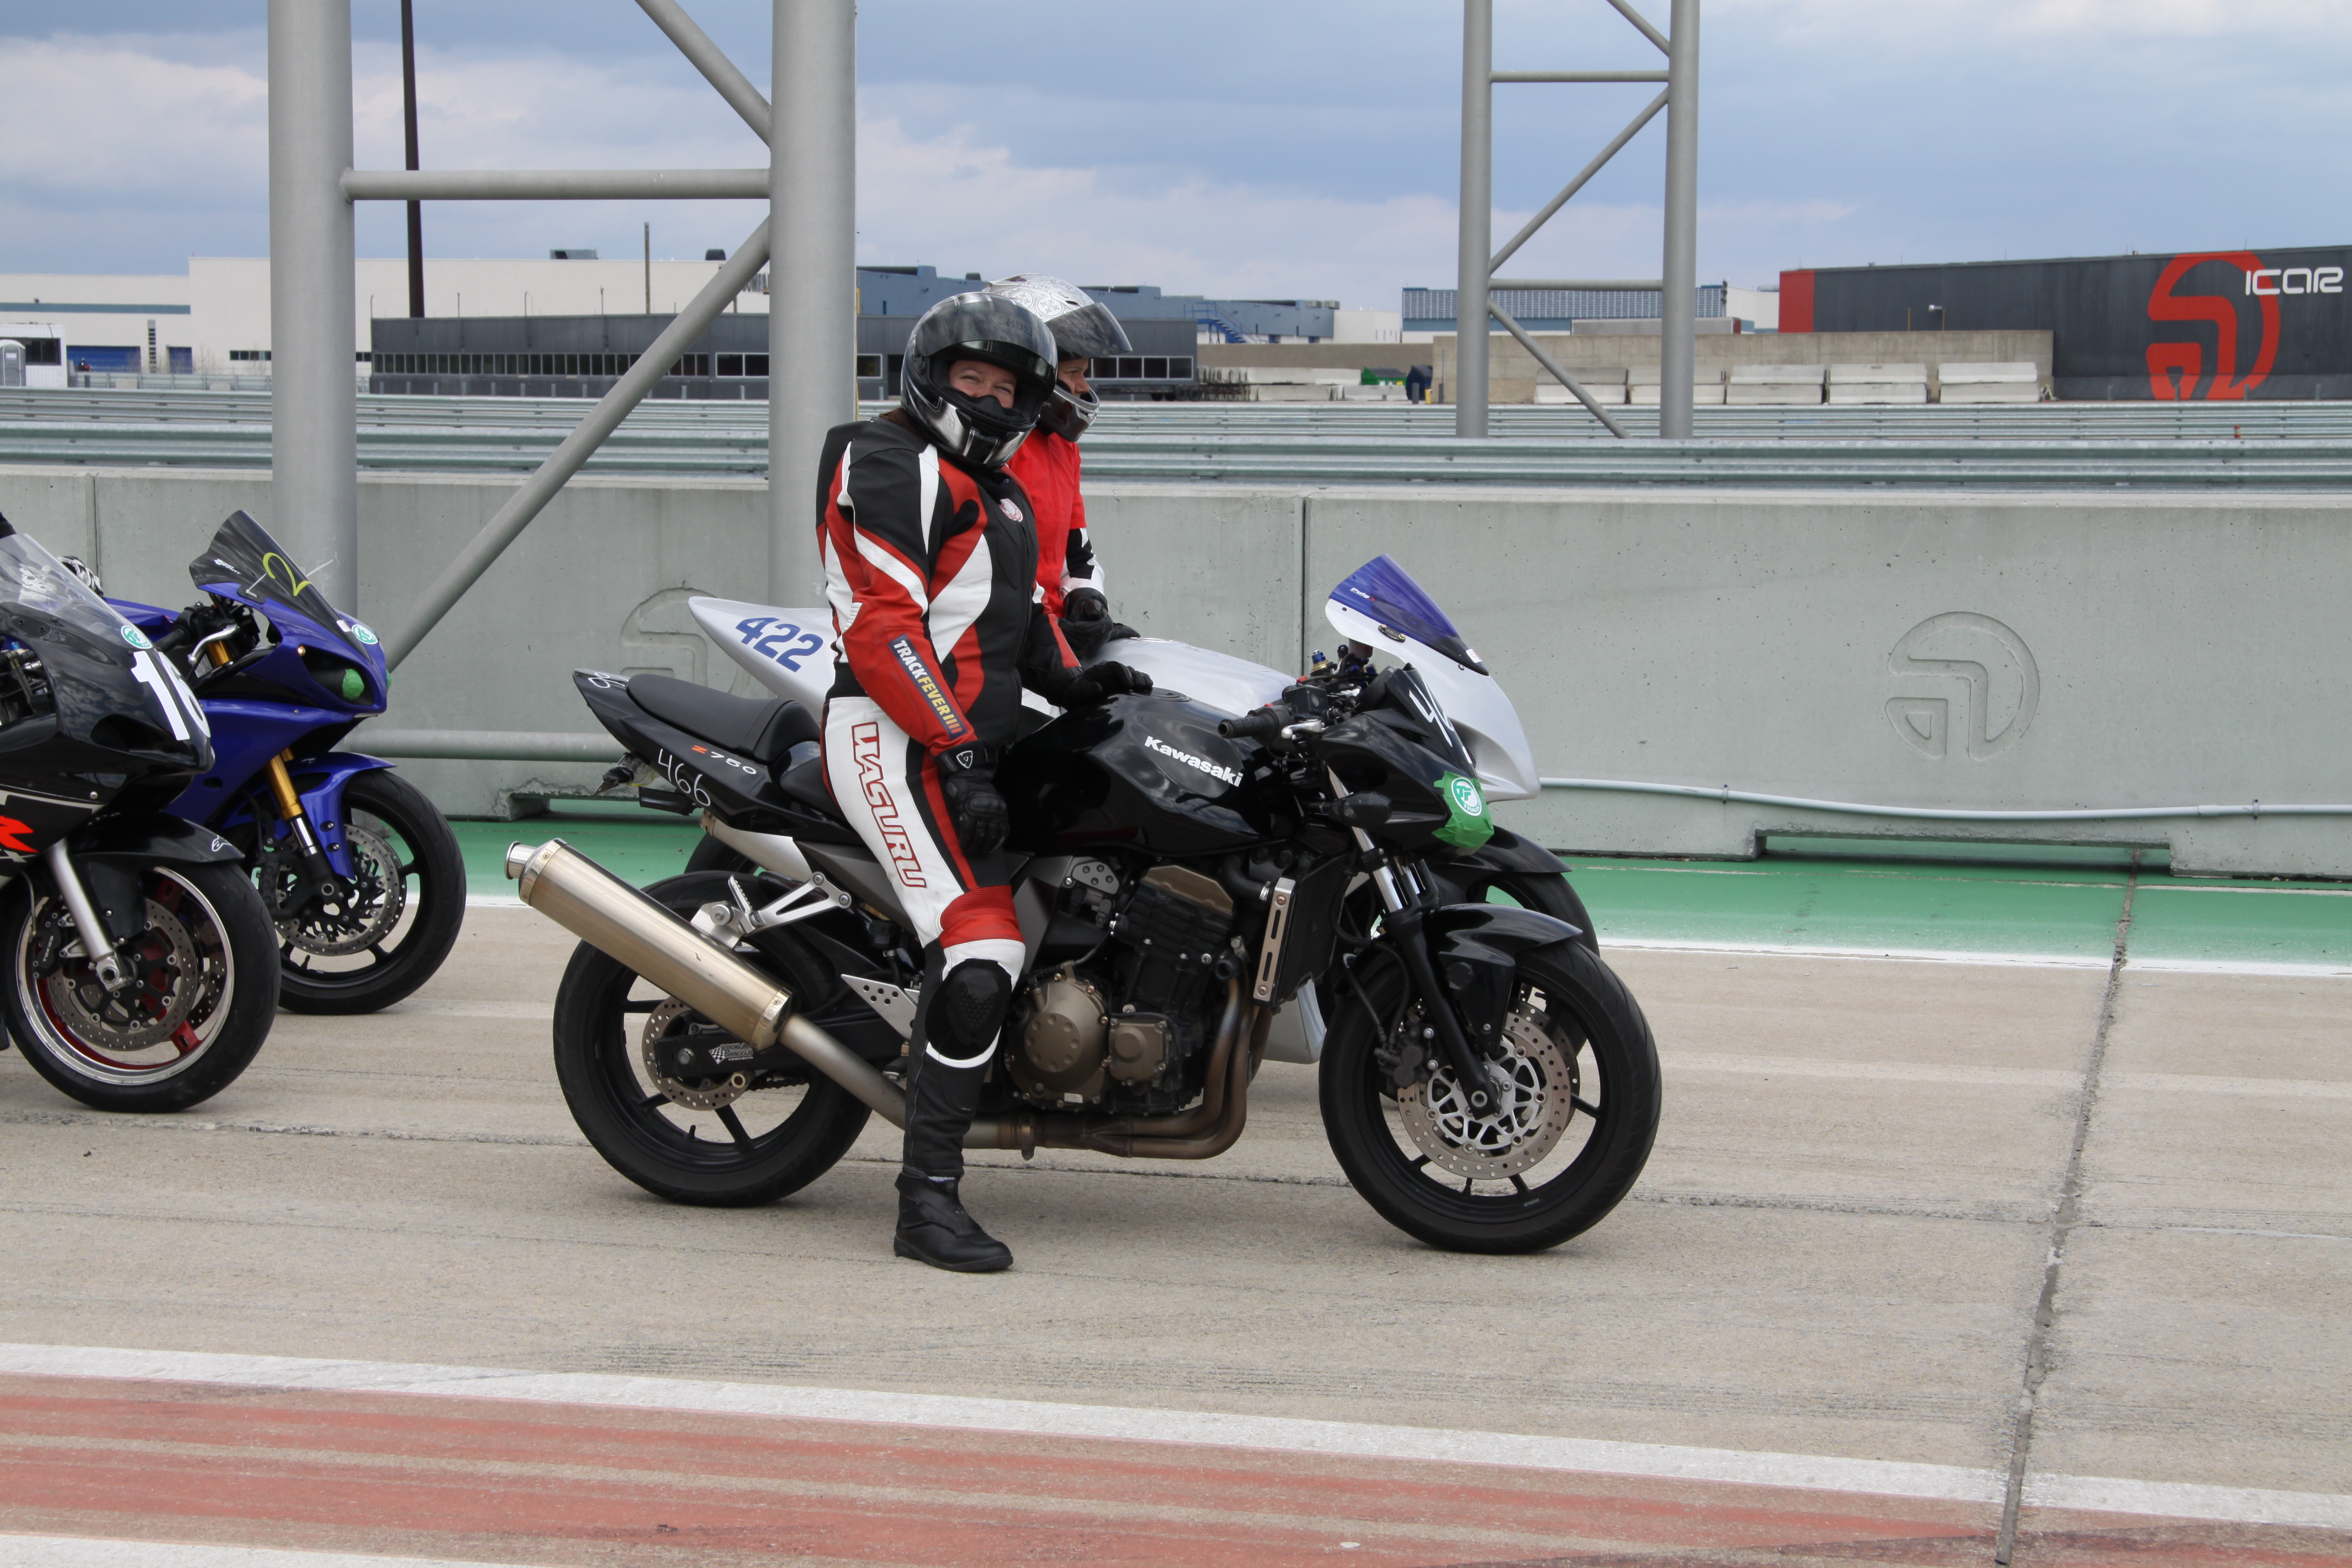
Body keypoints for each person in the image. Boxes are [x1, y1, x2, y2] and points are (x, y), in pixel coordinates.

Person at [815, 292, 1150, 1274]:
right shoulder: (886, 460)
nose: (993, 401)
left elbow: (1019, 619)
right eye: (974, 380)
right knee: (982, 948)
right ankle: (926, 1200)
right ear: (930, 377)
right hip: (891, 738)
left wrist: (1083, 682)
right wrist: (958, 751)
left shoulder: (995, 489)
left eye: (1009, 389)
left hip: (965, 742)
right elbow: (885, 629)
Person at [985, 275, 1140, 659]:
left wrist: (1088, 600)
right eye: (1073, 373)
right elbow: (984, 566)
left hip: (1049, 634)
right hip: (1001, 642)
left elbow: (1078, 552)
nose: (1083, 386)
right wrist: (1043, 630)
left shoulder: (1063, 447)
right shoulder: (992, 449)